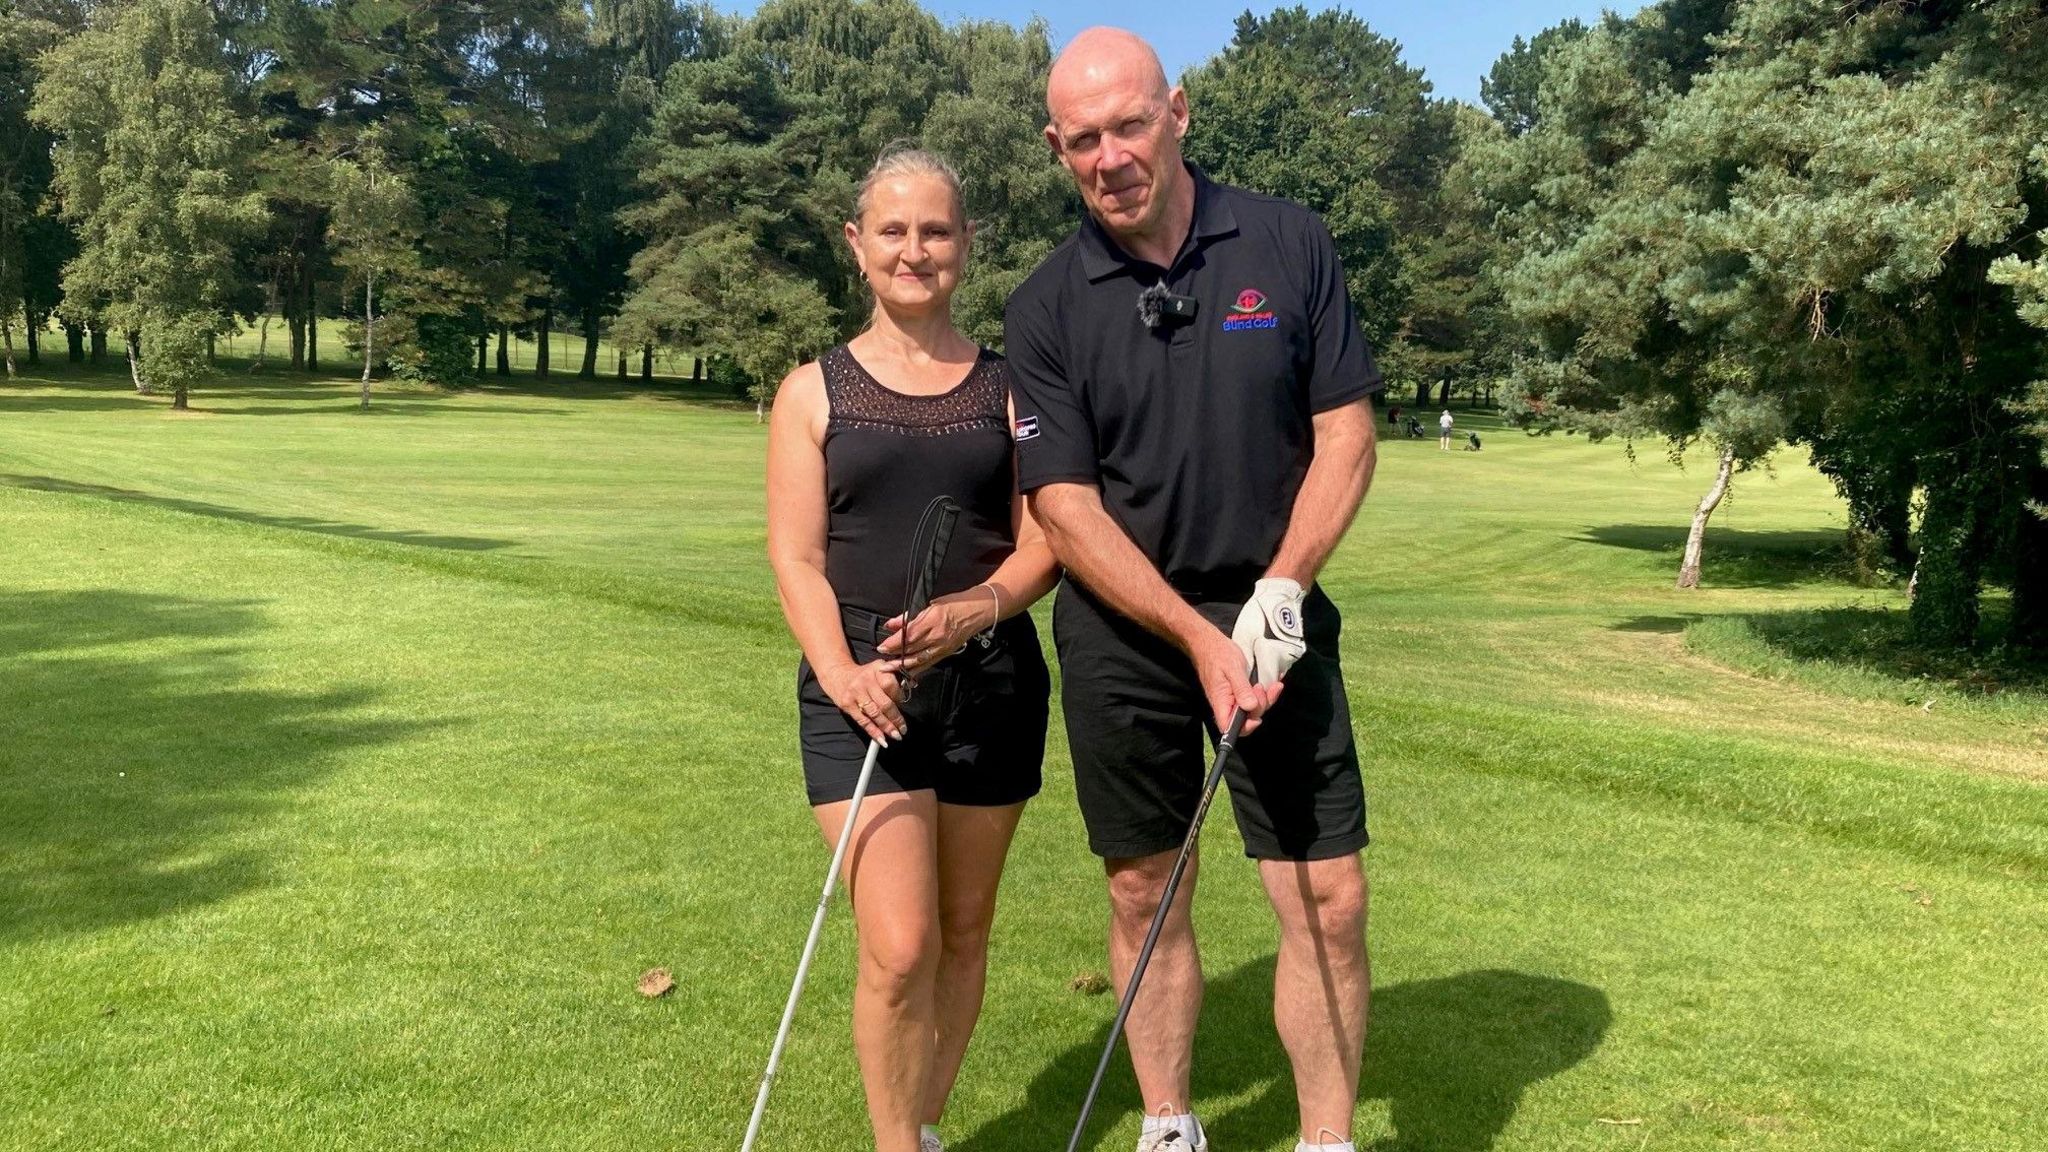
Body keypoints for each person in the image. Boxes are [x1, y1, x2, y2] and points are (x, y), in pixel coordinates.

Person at [1005, 28, 1380, 1152]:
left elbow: (1345, 432)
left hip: (1273, 608)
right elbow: (1064, 507)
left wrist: (1277, 593)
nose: (1110, 156)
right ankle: (1167, 1125)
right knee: (1143, 888)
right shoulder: (1044, 304)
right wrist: (1190, 635)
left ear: (1177, 111)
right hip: (1125, 628)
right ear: (1055, 147)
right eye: (1083, 140)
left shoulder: (1284, 239)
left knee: (1326, 897)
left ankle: (1324, 1140)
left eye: (1128, 125)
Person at [765, 144, 1060, 1152]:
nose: (913, 250)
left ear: (966, 245)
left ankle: (922, 1126)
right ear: (856, 245)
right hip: (860, 692)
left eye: (935, 230)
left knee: (963, 935)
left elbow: (1045, 544)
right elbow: (796, 558)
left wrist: (976, 608)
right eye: (891, 230)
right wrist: (843, 675)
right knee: (898, 948)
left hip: (988, 685)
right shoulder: (811, 392)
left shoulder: (1012, 390)